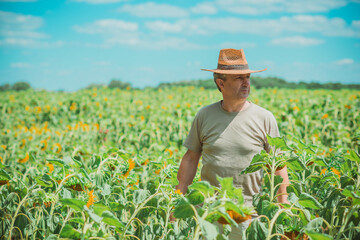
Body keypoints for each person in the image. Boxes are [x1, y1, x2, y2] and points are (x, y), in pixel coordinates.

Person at [175, 48, 290, 239]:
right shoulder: (205, 116)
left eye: (247, 77)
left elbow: (278, 163)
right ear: (221, 83)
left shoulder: (264, 118)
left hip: (249, 213)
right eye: (239, 78)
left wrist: (282, 205)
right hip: (211, 211)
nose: (246, 83)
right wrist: (179, 198)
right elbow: (191, 157)